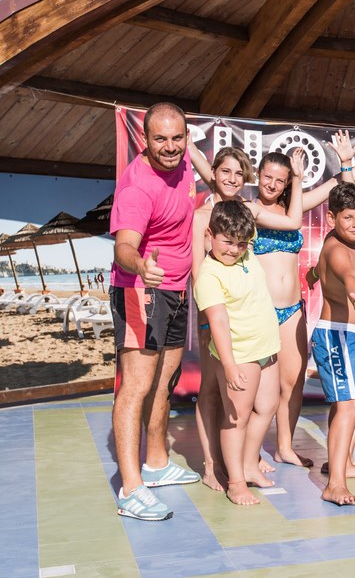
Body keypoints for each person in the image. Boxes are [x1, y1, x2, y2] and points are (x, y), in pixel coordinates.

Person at [252, 132, 355, 471]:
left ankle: (284, 447)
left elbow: (340, 193)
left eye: (281, 180)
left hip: (291, 308)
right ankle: (249, 452)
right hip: (258, 309)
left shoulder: (292, 207)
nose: (274, 185)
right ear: (257, 177)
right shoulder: (248, 210)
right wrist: (297, 177)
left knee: (291, 382)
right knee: (256, 383)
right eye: (268, 177)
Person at [190, 146, 304, 491]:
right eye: (225, 172)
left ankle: (244, 461)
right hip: (214, 312)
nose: (232, 179)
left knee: (253, 401)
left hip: (249, 319)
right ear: (213, 174)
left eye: (239, 174)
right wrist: (209, 320)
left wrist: (298, 178)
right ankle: (213, 465)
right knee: (211, 392)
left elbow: (294, 221)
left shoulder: (244, 212)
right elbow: (199, 271)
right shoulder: (202, 217)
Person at [109, 102, 200, 521]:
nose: (169, 147)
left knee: (164, 382)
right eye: (159, 139)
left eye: (176, 138)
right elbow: (125, 246)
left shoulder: (184, 169)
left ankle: (157, 462)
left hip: (177, 291)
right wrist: (141, 266)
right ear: (145, 139)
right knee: (137, 386)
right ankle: (131, 489)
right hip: (141, 290)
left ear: (186, 137)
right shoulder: (137, 186)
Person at [194, 201, 281, 506]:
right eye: (227, 242)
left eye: (240, 244)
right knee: (236, 419)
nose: (233, 250)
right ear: (210, 235)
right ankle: (236, 482)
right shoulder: (209, 275)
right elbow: (217, 320)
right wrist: (229, 364)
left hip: (266, 347)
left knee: (268, 406)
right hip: (240, 353)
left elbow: (248, 213)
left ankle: (248, 464)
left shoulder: (247, 251)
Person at [312, 182, 355, 506]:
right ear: (332, 217)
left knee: (350, 402)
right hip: (337, 334)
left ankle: (343, 462)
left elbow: (319, 273)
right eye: (348, 217)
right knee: (348, 405)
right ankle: (335, 483)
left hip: (352, 335)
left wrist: (309, 278)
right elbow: (348, 276)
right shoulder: (337, 249)